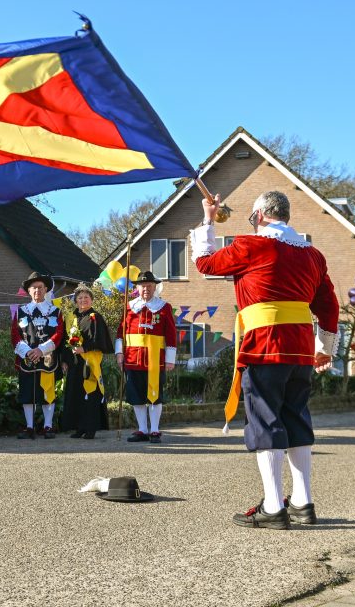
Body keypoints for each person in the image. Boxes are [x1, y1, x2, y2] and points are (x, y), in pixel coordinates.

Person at [192, 190, 338, 529]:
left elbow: (205, 264)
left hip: (265, 344)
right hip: (300, 347)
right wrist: (324, 347)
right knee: (297, 419)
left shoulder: (251, 245)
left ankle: (273, 507)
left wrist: (208, 219)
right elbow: (328, 305)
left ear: (259, 216)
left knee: (265, 421)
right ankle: (303, 503)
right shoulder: (313, 255)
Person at [115, 271, 177, 443]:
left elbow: (171, 335)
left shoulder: (164, 307)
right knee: (136, 396)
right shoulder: (129, 307)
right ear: (137, 288)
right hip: (132, 358)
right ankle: (142, 429)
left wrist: (170, 359)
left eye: (149, 286)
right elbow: (120, 333)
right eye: (142, 286)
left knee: (155, 396)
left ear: (154, 287)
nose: (146, 289)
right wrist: (119, 353)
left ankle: (155, 430)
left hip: (155, 359)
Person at [12, 272, 63, 439]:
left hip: (48, 358)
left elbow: (59, 334)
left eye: (40, 287)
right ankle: (29, 426)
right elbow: (15, 334)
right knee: (27, 393)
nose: (37, 291)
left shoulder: (56, 311)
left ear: (46, 289)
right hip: (26, 358)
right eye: (33, 288)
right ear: (28, 290)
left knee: (48, 392)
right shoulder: (21, 311)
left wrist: (41, 350)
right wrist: (27, 351)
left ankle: (48, 426)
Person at [60, 284, 114, 439]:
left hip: (90, 362)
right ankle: (79, 427)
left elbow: (100, 339)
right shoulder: (71, 317)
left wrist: (84, 348)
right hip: (75, 363)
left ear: (91, 300)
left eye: (86, 297)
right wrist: (64, 360)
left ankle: (90, 428)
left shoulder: (95, 317)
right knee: (76, 395)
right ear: (75, 301)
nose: (83, 300)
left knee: (90, 395)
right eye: (80, 298)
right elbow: (65, 340)